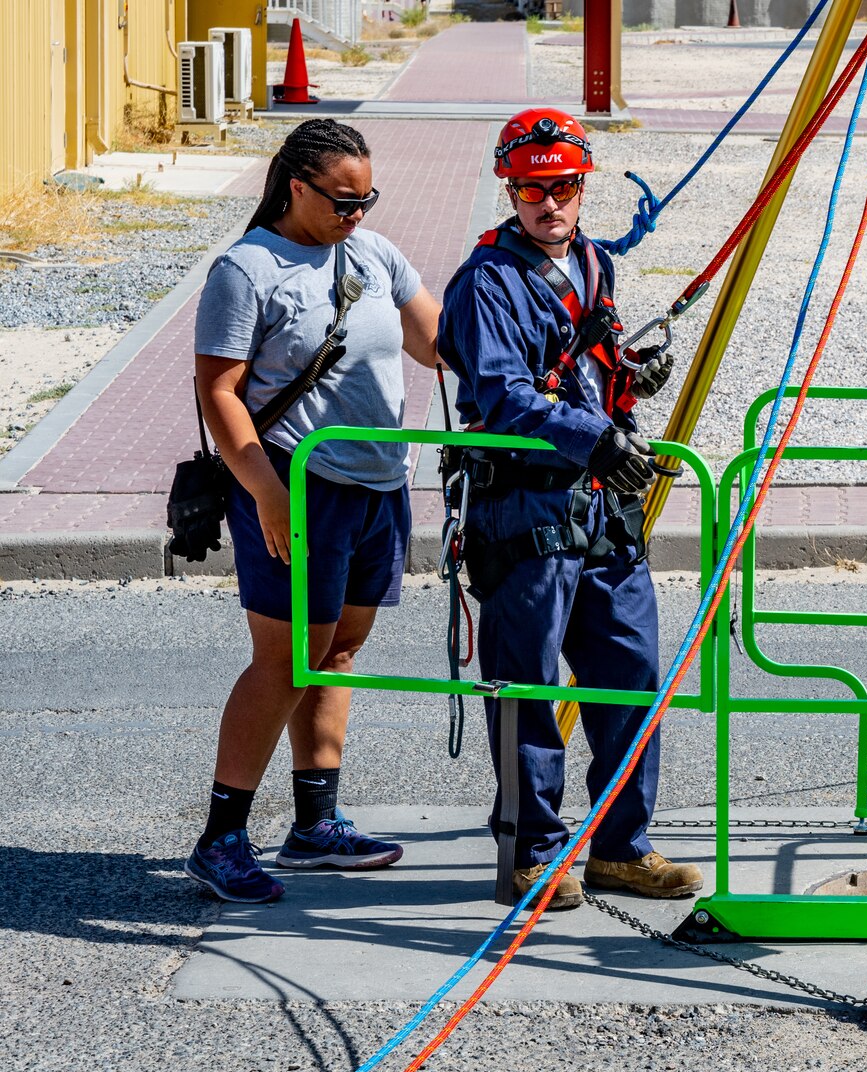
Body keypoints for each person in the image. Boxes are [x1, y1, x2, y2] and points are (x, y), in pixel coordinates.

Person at [185, 119, 443, 903]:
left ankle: (314, 824)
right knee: (289, 656)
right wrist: (266, 489)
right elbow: (219, 391)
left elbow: (437, 342)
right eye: (341, 200)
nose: (355, 214)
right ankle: (222, 836)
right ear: (295, 185)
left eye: (367, 198)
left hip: (378, 481)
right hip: (297, 482)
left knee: (339, 648)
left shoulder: (374, 251)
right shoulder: (247, 268)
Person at [437, 108, 688, 911]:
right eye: (534, 188)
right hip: (524, 508)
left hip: (602, 507)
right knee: (527, 683)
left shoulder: (591, 264)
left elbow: (586, 357)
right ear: (511, 189)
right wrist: (595, 437)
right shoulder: (487, 284)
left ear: (584, 188)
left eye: (565, 186)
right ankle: (531, 851)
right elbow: (506, 394)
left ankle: (622, 846)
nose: (550, 202)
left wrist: (628, 377)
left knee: (630, 673)